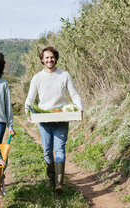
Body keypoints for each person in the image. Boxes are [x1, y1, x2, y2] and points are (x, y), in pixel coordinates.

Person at [24, 46, 83, 193]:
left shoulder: (64, 75)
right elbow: (30, 98)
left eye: (52, 57)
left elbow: (74, 94)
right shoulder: (37, 78)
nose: (49, 60)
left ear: (55, 58)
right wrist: (28, 111)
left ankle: (59, 183)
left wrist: (79, 108)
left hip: (61, 117)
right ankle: (51, 178)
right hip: (44, 118)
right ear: (42, 60)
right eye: (46, 57)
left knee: (60, 149)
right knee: (47, 151)